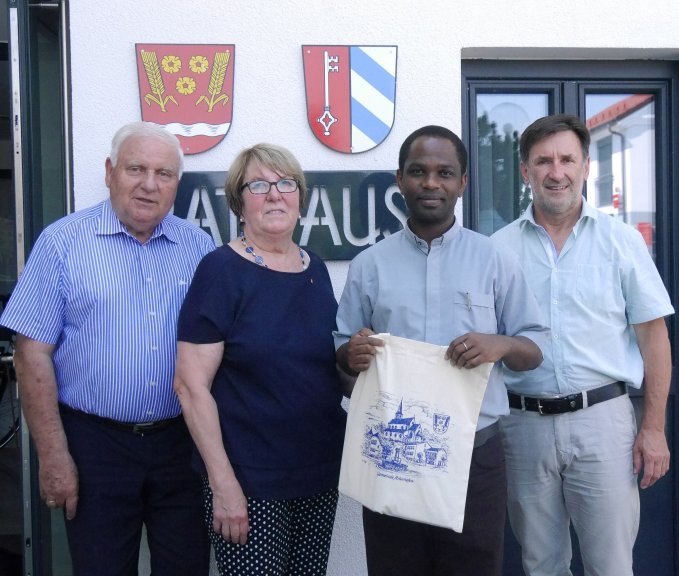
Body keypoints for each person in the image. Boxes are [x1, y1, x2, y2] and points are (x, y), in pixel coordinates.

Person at [0, 121, 214, 575]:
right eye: (136, 168)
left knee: (187, 567)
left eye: (164, 173)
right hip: (94, 446)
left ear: (178, 182)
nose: (149, 185)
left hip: (181, 445)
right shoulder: (61, 244)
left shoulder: (198, 247)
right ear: (109, 171)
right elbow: (30, 353)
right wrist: (54, 456)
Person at [335, 125, 549, 576]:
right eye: (418, 171)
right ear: (400, 179)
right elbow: (342, 355)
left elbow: (535, 349)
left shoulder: (494, 260)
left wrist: (502, 343)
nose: (431, 183)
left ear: (462, 183)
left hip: (476, 456)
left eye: (444, 173)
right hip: (392, 453)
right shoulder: (369, 266)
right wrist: (349, 357)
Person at [492, 114, 674, 576]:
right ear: (525, 171)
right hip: (523, 425)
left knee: (610, 566)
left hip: (603, 424)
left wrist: (652, 427)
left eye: (567, 159)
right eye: (544, 161)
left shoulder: (622, 242)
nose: (557, 172)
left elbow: (654, 337)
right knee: (540, 565)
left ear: (586, 166)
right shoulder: (497, 250)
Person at [173, 143, 347, 576]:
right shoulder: (220, 271)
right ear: (238, 201)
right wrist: (223, 483)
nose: (275, 194)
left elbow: (319, 368)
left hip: (318, 474)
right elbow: (190, 387)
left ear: (300, 198)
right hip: (250, 483)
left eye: (285, 183)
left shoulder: (315, 268)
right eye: (259, 185)